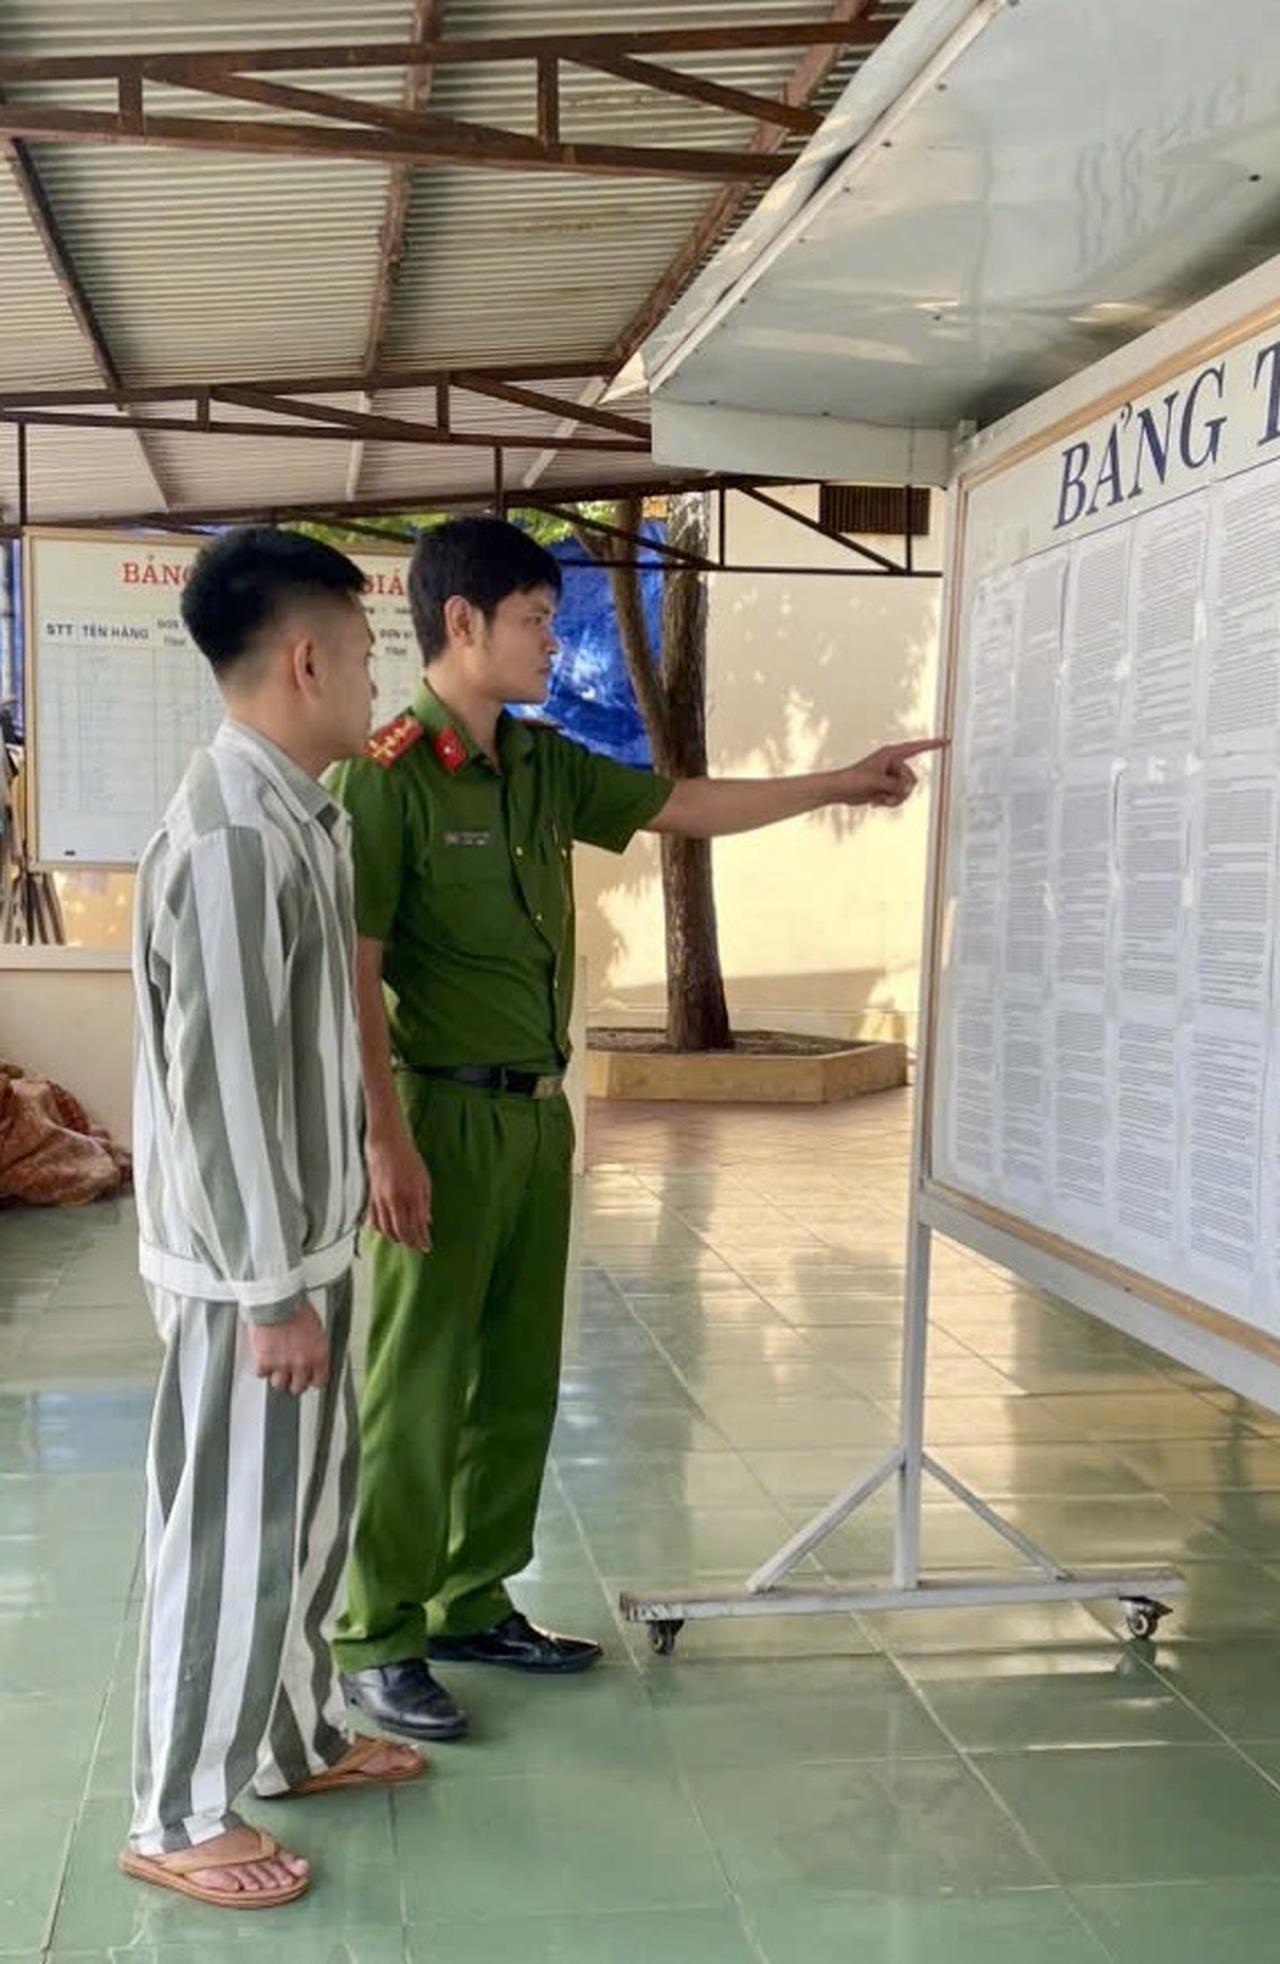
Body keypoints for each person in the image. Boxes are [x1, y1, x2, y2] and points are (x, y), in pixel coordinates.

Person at [331, 515, 941, 1739]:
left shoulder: (542, 766)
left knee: (515, 1378)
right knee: (416, 1383)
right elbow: (354, 969)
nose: (553, 643)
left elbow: (684, 802)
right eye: (535, 620)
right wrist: (382, 1137)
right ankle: (376, 1634)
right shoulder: (385, 775)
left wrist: (838, 780)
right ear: (462, 621)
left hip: (535, 1117)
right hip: (437, 1114)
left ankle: (470, 1598)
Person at [121, 528, 424, 1912]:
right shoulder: (237, 838)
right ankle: (178, 1810)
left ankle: (294, 1736)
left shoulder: (303, 815)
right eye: (363, 657)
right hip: (253, 1271)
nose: (373, 683)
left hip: (304, 1245)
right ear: (305, 659)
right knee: (231, 1534)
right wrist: (270, 1294)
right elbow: (225, 1086)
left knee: (307, 1518)